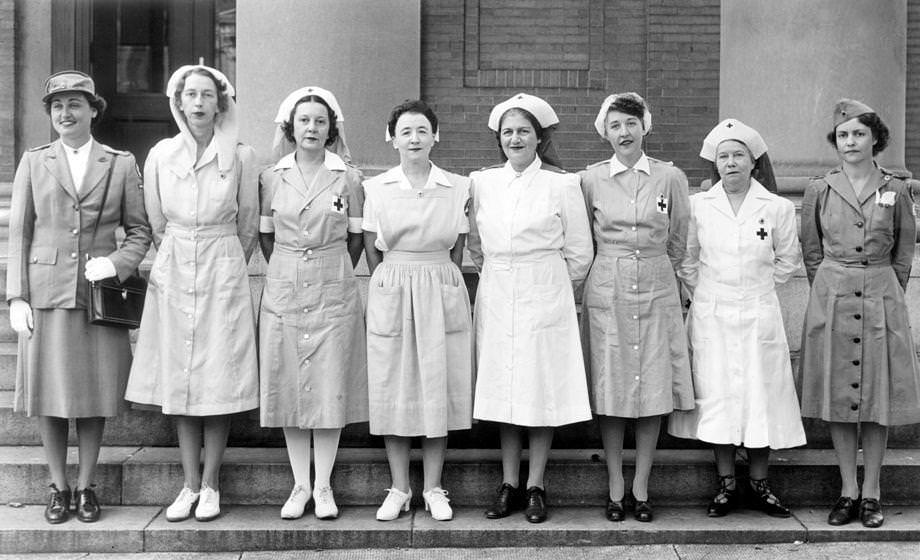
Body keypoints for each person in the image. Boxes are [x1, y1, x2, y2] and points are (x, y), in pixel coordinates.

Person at [6, 71, 151, 524]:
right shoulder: (34, 161)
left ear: (93, 110)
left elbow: (140, 231)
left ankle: (86, 486)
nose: (65, 113)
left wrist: (117, 263)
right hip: (46, 292)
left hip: (97, 296)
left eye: (74, 104)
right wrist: (16, 297)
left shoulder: (119, 163)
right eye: (57, 106)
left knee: (94, 395)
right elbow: (20, 231)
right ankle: (58, 487)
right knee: (48, 396)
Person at [124, 65, 259, 523]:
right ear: (178, 102)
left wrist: (224, 262)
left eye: (207, 95)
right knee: (181, 377)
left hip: (223, 268)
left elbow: (247, 224)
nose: (198, 103)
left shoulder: (240, 155)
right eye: (191, 95)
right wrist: (180, 257)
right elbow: (156, 221)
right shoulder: (162, 154)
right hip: (176, 266)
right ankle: (189, 484)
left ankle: (212, 482)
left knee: (218, 375)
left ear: (220, 104)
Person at [668, 118, 806, 518]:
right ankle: (726, 484)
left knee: (761, 394)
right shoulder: (699, 206)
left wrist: (756, 289)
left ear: (753, 162)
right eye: (724, 156)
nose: (731, 163)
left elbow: (788, 260)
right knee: (720, 397)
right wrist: (709, 292)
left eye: (739, 156)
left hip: (759, 312)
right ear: (716, 163)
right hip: (713, 312)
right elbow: (687, 259)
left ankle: (760, 483)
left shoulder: (777, 207)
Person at [469, 93, 593, 524]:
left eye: (524, 131)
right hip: (499, 291)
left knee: (540, 389)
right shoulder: (482, 183)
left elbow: (580, 252)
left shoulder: (563, 184)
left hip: (545, 292)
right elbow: (477, 246)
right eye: (508, 132)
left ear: (539, 138)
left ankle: (536, 485)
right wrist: (504, 275)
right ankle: (509, 484)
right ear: (499, 139)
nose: (515, 139)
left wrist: (550, 288)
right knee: (504, 389)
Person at [799, 99, 920, 528]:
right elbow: (811, 251)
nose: (850, 142)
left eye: (859, 134)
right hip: (833, 293)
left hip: (881, 295)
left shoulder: (897, 188)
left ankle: (872, 492)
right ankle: (847, 489)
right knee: (839, 394)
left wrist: (886, 292)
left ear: (875, 139)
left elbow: (904, 251)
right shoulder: (820, 188)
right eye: (843, 135)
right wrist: (830, 289)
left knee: (876, 395)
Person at [578, 92, 694, 523]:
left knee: (653, 383)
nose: (624, 132)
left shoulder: (670, 177)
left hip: (657, 285)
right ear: (604, 133)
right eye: (615, 125)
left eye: (631, 123)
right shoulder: (590, 179)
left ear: (645, 126)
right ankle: (614, 483)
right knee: (611, 383)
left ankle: (641, 486)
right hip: (608, 287)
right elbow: (583, 239)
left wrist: (667, 276)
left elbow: (680, 237)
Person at [258, 86, 368, 520]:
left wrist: (329, 268)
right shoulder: (272, 177)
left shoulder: (348, 178)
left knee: (328, 383)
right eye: (304, 120)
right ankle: (299, 484)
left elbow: (356, 238)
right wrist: (289, 267)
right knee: (288, 381)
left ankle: (323, 485)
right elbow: (265, 235)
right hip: (285, 283)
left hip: (332, 283)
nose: (312, 128)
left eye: (320, 121)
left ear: (331, 129)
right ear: (291, 127)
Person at [363, 99, 473, 522]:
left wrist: (436, 275)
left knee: (437, 384)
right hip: (393, 285)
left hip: (440, 283)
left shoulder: (457, 186)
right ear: (392, 138)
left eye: (422, 131)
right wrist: (393, 280)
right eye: (405, 131)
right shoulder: (376, 188)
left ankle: (433, 487)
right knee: (393, 385)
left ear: (435, 136)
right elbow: (372, 246)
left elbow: (458, 247)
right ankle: (399, 488)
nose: (414, 139)